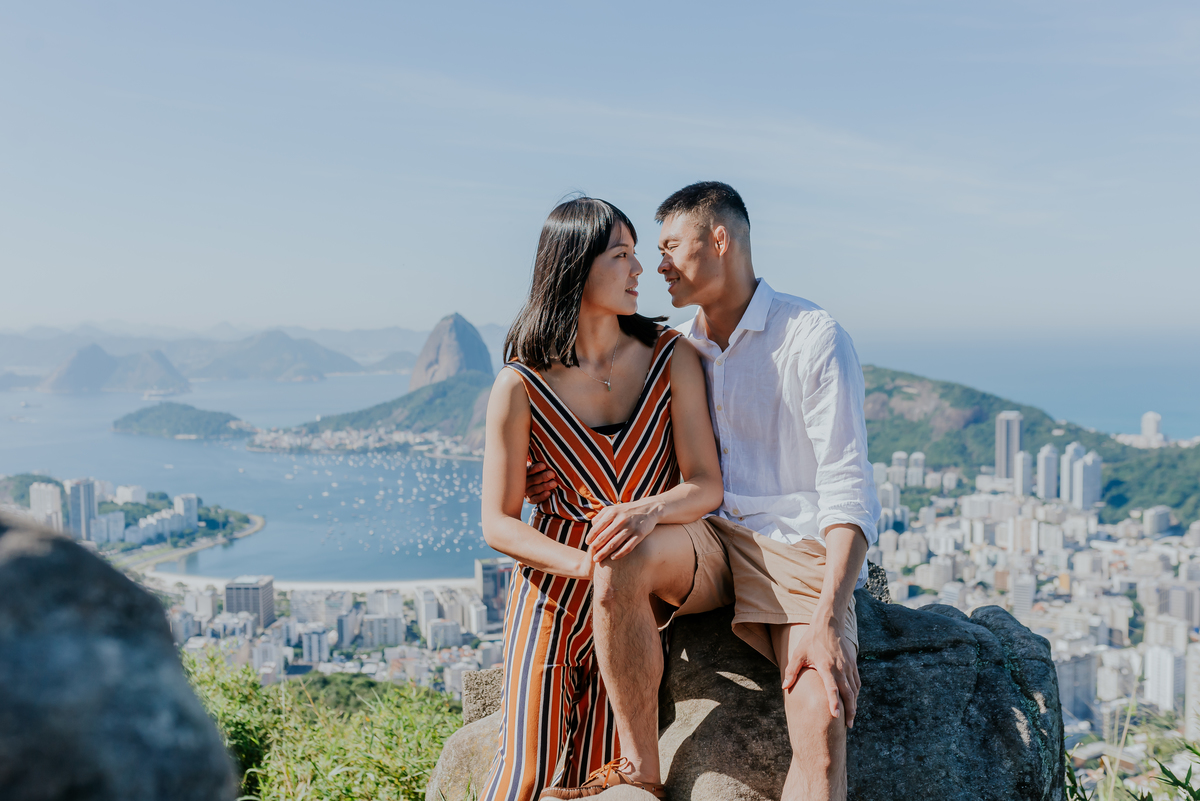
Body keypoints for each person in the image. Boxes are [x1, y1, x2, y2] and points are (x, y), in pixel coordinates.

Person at [526, 182, 880, 801]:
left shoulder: (811, 336)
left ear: (719, 240)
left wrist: (828, 616)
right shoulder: (675, 347)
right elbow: (611, 427)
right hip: (708, 540)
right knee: (619, 556)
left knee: (820, 722)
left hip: (795, 550)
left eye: (669, 247)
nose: (655, 265)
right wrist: (547, 473)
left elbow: (848, 488)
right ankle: (641, 774)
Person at [478, 196, 724, 801]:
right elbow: (499, 523)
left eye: (637, 254)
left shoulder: (672, 357)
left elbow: (705, 484)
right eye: (622, 255)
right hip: (552, 589)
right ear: (575, 266)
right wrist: (592, 568)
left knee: (599, 771)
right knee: (526, 771)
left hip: (639, 596)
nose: (641, 269)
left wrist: (644, 522)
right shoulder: (520, 384)